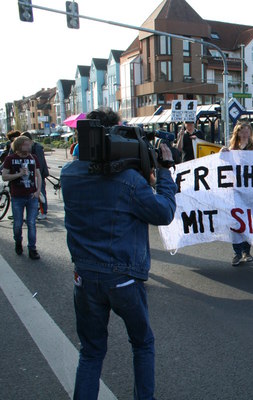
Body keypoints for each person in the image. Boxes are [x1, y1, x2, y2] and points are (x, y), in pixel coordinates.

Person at [61, 108, 177, 399]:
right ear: (112, 134)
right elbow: (164, 212)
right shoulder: (128, 180)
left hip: (84, 277)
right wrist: (163, 171)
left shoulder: (69, 174)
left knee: (90, 352)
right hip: (123, 278)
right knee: (142, 343)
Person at [220, 121, 253, 265]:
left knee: (248, 221)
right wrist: (222, 154)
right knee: (236, 221)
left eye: (247, 131)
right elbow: (223, 165)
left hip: (250, 190)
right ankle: (237, 252)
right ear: (237, 133)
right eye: (242, 131)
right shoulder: (232, 148)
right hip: (235, 190)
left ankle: (246, 251)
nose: (245, 133)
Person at [2, 135, 42, 259]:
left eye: (29, 144)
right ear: (19, 146)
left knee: (31, 223)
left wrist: (38, 191)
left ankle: (32, 248)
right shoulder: (10, 158)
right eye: (26, 144)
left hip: (31, 196)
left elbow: (38, 176)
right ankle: (18, 242)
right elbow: (4, 176)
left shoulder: (33, 158)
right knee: (18, 224)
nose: (29, 146)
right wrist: (19, 174)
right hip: (17, 196)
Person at [21, 132, 49, 220]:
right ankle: (35, 212)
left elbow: (40, 163)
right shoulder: (29, 148)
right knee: (33, 193)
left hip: (39, 174)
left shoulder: (37, 148)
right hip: (32, 174)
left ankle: (43, 212)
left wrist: (37, 175)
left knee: (41, 192)